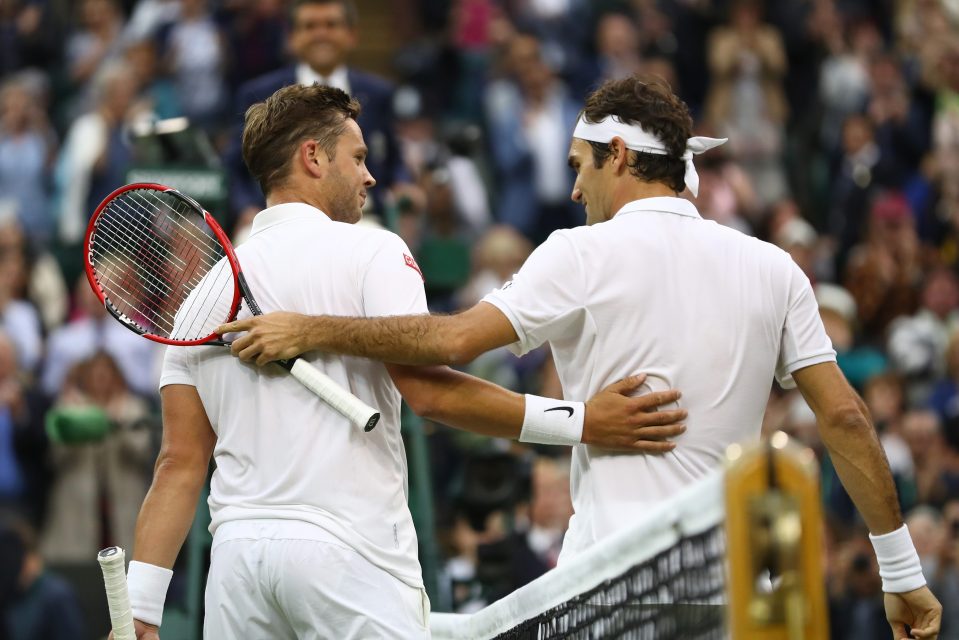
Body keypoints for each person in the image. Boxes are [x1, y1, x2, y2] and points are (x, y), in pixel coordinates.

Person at [221, 75, 943, 638]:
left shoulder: (576, 253)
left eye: (580, 167)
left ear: (619, 156)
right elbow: (845, 418)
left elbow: (445, 343)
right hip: (747, 586)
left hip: (616, 586)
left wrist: (306, 328)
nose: (572, 188)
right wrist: (900, 570)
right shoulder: (775, 268)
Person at [123, 83, 686, 640]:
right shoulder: (374, 249)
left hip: (239, 568)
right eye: (360, 157)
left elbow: (178, 464)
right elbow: (432, 394)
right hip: (350, 556)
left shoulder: (200, 297)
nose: (370, 176)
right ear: (312, 157)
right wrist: (582, 422)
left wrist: (141, 612)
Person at [226, 0, 405, 229]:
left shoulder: (379, 93)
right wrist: (245, 209)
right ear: (291, 37)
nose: (321, 34)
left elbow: (394, 160)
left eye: (331, 25)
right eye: (310, 26)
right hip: (276, 220)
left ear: (352, 34)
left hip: (361, 220)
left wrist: (403, 186)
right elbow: (233, 167)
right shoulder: (259, 93)